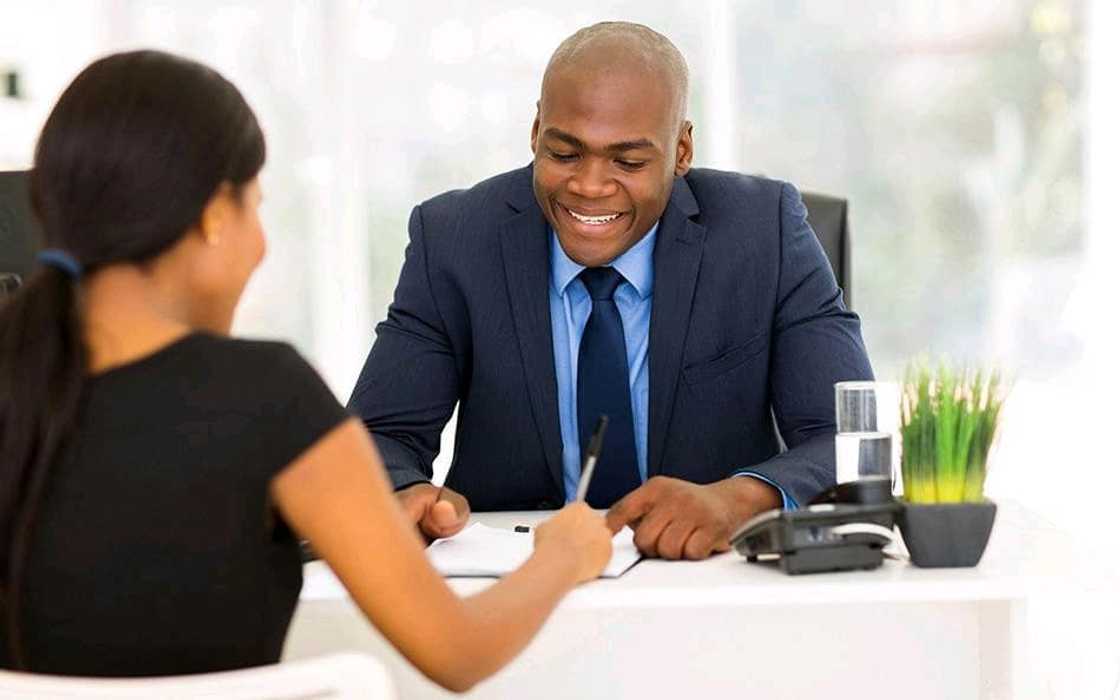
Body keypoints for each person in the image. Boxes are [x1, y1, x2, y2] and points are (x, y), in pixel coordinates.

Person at [0, 50, 612, 688]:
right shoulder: (269, 399)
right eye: (254, 206)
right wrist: (560, 559)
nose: (259, 243)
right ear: (214, 214)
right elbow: (458, 653)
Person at [349, 21, 874, 560]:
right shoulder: (454, 239)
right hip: (511, 586)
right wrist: (404, 495)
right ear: (535, 133)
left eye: (628, 161)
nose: (590, 185)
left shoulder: (764, 233)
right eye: (565, 153)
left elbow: (854, 442)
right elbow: (377, 438)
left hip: (708, 579)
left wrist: (743, 498)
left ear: (682, 150)